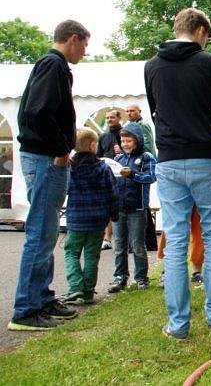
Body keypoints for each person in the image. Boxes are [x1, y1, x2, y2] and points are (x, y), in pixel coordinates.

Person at [144, 7, 211, 339]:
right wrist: (209, 115)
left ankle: (178, 324)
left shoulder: (151, 66)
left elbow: (156, 110)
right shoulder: (210, 63)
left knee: (177, 239)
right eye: (206, 37)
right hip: (205, 157)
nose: (206, 43)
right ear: (198, 31)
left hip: (168, 159)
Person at [9, 19, 90, 331]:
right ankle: (25, 310)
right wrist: (60, 147)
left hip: (46, 157)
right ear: (73, 38)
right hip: (45, 158)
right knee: (40, 233)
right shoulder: (52, 65)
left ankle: (42, 298)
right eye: (84, 45)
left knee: (47, 231)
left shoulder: (53, 66)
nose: (84, 52)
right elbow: (35, 112)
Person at [62, 128, 119, 306]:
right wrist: (114, 213)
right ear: (93, 146)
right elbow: (113, 192)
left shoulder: (70, 167)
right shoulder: (103, 167)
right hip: (98, 221)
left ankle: (75, 287)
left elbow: (65, 189)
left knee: (71, 253)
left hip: (76, 220)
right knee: (92, 256)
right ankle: (87, 292)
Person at [108, 122, 156, 292]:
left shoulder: (146, 157)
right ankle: (120, 277)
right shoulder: (117, 159)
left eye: (128, 140)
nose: (125, 144)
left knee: (137, 245)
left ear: (137, 140)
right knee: (119, 244)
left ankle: (141, 277)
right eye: (122, 141)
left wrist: (133, 174)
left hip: (137, 208)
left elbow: (151, 177)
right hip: (119, 208)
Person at [97, 108, 123, 250]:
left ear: (118, 118)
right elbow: (98, 155)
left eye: (112, 117)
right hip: (106, 173)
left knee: (120, 207)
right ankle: (107, 238)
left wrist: (122, 150)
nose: (109, 120)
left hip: (121, 174)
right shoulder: (103, 136)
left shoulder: (125, 134)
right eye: (107, 118)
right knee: (106, 204)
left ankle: (121, 238)